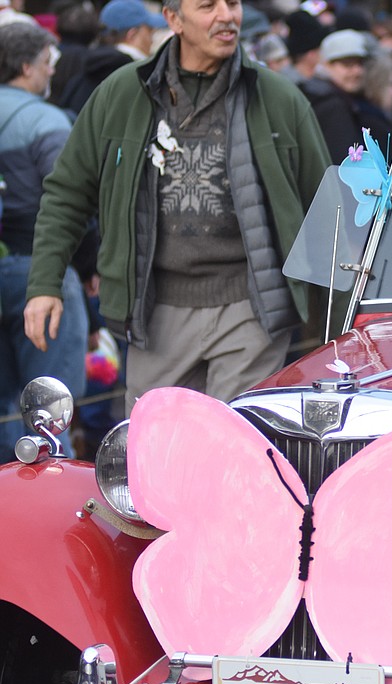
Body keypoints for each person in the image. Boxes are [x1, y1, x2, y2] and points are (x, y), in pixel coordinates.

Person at [23, 0, 330, 413]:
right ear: (173, 19)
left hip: (252, 307)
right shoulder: (121, 93)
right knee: (157, 447)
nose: (226, 15)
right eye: (207, 6)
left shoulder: (278, 98)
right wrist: (45, 284)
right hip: (155, 312)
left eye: (233, 3)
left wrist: (338, 323)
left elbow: (326, 208)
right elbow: (67, 192)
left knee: (233, 445)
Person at [0, 22, 87, 460]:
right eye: (47, 64)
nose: (51, 73)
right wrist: (89, 267)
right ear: (25, 65)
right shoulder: (45, 120)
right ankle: (50, 520)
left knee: (3, 409)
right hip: (42, 273)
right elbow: (75, 199)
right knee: (51, 411)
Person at [58, 0, 169, 116]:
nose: (152, 39)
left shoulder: (84, 70)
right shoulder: (140, 75)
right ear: (132, 35)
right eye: (149, 31)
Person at [300, 28, 392, 163]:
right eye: (347, 64)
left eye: (359, 63)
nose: (357, 71)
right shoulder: (331, 105)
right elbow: (344, 164)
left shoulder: (343, 99)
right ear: (326, 65)